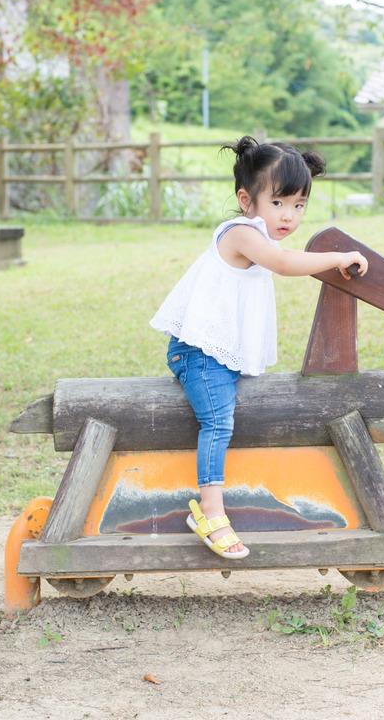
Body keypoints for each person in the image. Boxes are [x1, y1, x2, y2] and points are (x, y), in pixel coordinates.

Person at [150, 136, 369, 560]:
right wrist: (339, 255)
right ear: (246, 200)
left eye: (299, 205)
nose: (289, 215)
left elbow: (283, 257)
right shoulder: (241, 234)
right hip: (197, 352)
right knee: (218, 422)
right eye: (279, 203)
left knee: (234, 416)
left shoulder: (259, 238)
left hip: (215, 354)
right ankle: (209, 512)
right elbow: (287, 265)